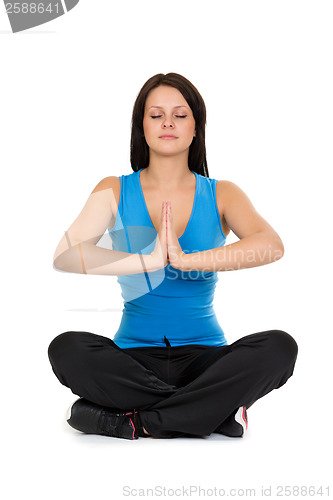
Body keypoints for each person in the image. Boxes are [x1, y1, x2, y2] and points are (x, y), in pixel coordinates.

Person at [48, 73, 298, 440]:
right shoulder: (114, 189)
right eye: (156, 115)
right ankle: (212, 412)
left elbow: (271, 245)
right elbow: (66, 255)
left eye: (180, 115)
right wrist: (148, 261)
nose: (168, 122)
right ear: (141, 128)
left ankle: (134, 421)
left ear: (196, 127)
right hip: (132, 358)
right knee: (66, 348)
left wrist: (188, 260)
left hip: (207, 361)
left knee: (279, 347)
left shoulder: (222, 193)